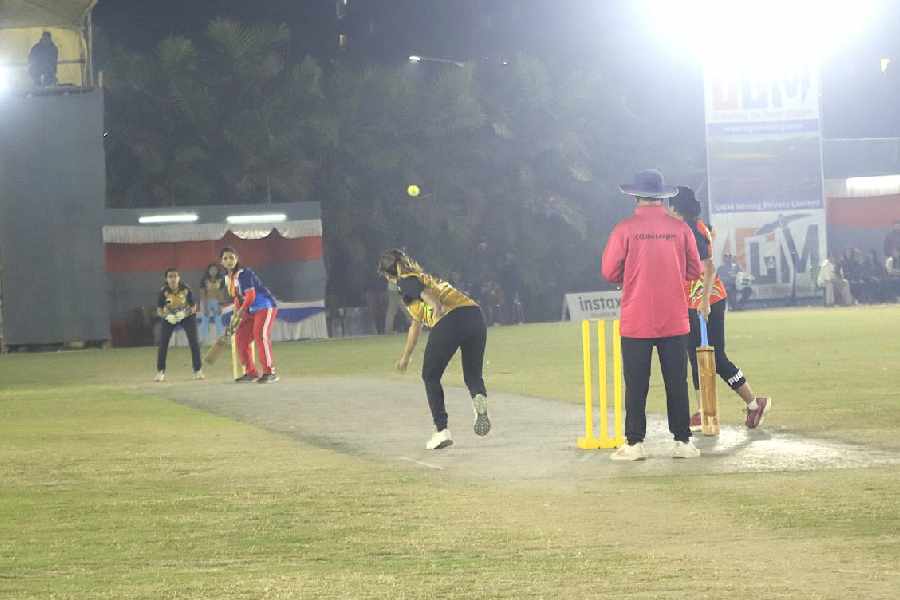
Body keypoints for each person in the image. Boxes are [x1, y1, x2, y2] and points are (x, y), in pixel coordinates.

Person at [600, 169, 703, 461]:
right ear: (662, 196)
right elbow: (695, 270)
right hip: (674, 316)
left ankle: (634, 444)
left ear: (635, 195)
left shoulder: (625, 228)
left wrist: (630, 275)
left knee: (636, 383)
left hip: (637, 318)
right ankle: (682, 441)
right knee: (676, 382)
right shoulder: (680, 228)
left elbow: (609, 271)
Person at [668, 187, 771, 431]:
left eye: (669, 206)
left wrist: (703, 302)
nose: (667, 211)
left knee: (716, 358)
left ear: (676, 209)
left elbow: (710, 270)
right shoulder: (686, 229)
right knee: (694, 357)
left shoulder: (694, 231)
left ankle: (755, 403)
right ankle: (704, 411)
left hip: (709, 300)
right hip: (689, 302)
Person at [377, 248, 490, 450]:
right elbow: (415, 325)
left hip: (450, 319)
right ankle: (478, 400)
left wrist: (436, 306)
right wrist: (406, 356)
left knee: (430, 375)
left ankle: (441, 430)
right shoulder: (424, 277)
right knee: (473, 375)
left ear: (388, 275)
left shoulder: (405, 282)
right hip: (474, 315)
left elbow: (426, 295)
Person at [220, 247, 279, 383]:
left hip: (264, 306)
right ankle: (251, 372)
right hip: (250, 310)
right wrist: (235, 318)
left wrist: (240, 312)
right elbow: (237, 298)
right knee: (240, 338)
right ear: (221, 262)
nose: (229, 261)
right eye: (225, 258)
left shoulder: (244, 273)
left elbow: (251, 296)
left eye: (231, 257)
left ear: (237, 259)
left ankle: (270, 372)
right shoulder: (228, 278)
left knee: (260, 336)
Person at [155, 268, 203, 382]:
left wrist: (185, 313)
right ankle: (160, 371)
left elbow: (194, 307)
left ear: (179, 278)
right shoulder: (163, 291)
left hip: (186, 316)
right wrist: (167, 317)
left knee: (194, 342)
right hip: (169, 317)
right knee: (163, 343)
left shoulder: (185, 289)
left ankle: (198, 370)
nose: (173, 279)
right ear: (166, 279)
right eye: (170, 277)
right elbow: (159, 310)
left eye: (175, 276)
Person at [198, 263, 228, 344]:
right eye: (211, 270)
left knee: (218, 319)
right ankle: (202, 340)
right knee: (205, 320)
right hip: (206, 301)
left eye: (215, 270)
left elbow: (221, 293)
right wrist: (205, 307)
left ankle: (221, 339)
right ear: (208, 271)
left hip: (216, 301)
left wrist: (220, 306)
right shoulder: (204, 280)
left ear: (217, 271)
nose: (213, 271)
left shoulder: (221, 280)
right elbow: (202, 294)